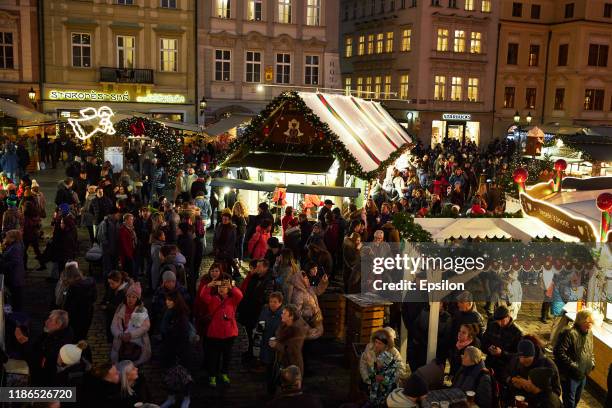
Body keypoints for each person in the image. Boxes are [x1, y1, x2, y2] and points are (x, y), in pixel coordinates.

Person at [200, 275, 243, 387]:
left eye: (224, 286)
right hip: (214, 333)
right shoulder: (213, 299)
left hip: (229, 334)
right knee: (213, 356)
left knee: (227, 356)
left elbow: (240, 295)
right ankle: (212, 375)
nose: (222, 288)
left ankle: (224, 373)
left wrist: (232, 286)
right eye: (220, 286)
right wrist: (208, 285)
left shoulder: (232, 300)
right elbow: (203, 296)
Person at [15, 310, 74, 386]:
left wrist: (24, 343)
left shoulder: (59, 346)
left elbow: (36, 363)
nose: (46, 322)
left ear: (58, 324)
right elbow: (35, 349)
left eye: (50, 320)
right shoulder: (49, 335)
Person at [553, 309, 595, 408]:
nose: (591, 324)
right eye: (589, 322)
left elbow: (590, 350)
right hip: (570, 375)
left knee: (576, 400)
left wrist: (592, 362)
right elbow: (559, 352)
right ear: (581, 321)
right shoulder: (569, 333)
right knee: (569, 402)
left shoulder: (589, 333)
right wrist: (573, 366)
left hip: (583, 373)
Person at [505, 338, 561, 405]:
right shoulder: (516, 360)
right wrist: (511, 380)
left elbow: (556, 392)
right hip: (518, 400)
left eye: (526, 359)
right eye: (520, 357)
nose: (521, 361)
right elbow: (505, 373)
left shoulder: (548, 365)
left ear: (533, 355)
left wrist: (531, 387)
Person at [359, 327, 406, 407]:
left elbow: (401, 369)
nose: (377, 345)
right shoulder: (369, 348)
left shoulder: (394, 352)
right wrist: (368, 380)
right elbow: (362, 365)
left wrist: (388, 380)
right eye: (376, 342)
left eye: (380, 343)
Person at [110, 283, 152, 367]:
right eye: (129, 296)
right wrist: (119, 334)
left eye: (134, 297)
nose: (131, 299)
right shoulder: (120, 308)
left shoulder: (140, 310)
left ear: (138, 299)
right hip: (121, 343)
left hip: (136, 344)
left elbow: (145, 327)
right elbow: (113, 325)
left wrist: (130, 335)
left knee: (135, 367)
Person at [482, 305, 523, 381]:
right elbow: (484, 341)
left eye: (502, 320)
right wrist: (488, 348)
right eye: (498, 321)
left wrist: (501, 353)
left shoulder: (517, 333)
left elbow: (518, 356)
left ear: (508, 317)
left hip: (505, 368)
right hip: (490, 363)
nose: (500, 323)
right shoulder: (492, 326)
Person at [59, 265, 97, 341]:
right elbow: (94, 298)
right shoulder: (91, 283)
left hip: (75, 319)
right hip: (87, 314)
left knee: (74, 339)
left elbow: (68, 307)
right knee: (82, 337)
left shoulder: (73, 288)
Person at [269, 304, 306, 380]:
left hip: (292, 365)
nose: (281, 315)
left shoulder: (297, 331)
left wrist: (276, 345)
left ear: (291, 317)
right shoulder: (284, 326)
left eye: (284, 313)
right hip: (283, 363)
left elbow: (292, 350)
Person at [289, 270, 328, 340]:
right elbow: (296, 312)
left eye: (307, 278)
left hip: (316, 319)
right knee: (312, 336)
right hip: (309, 322)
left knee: (318, 334)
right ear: (300, 280)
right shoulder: (298, 294)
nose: (308, 280)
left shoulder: (309, 289)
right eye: (305, 278)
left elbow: (318, 290)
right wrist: (308, 312)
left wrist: (323, 282)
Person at [258, 292, 284, 395]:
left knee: (277, 367)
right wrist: (259, 327)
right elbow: (259, 322)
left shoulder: (283, 314)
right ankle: (270, 390)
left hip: (278, 347)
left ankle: (276, 388)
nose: (272, 304)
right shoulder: (265, 311)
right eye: (270, 301)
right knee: (269, 368)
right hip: (266, 344)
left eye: (275, 302)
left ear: (280, 303)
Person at [159, 290, 191, 368]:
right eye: (167, 299)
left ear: (176, 301)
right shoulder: (168, 311)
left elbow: (182, 333)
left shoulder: (180, 315)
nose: (167, 302)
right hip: (169, 344)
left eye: (170, 300)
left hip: (177, 348)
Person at [102, 271, 131, 342]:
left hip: (118, 321)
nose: (110, 285)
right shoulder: (112, 288)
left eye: (112, 283)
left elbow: (122, 309)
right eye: (109, 283)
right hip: (111, 318)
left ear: (119, 282)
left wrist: (107, 306)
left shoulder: (124, 292)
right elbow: (106, 297)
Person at [1, 229, 26, 311]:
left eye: (7, 237)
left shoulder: (15, 248)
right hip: (16, 276)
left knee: (16, 298)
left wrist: (3, 265)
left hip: (15, 277)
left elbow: (15, 262)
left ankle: (17, 316)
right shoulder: (16, 245)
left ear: (13, 238)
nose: (6, 238)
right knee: (16, 298)